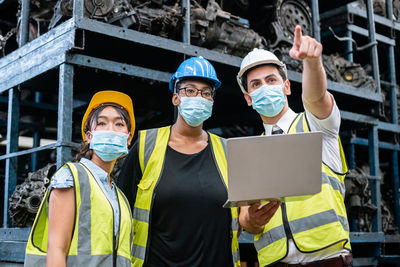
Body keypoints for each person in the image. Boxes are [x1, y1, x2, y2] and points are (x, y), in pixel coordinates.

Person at [237, 25, 352, 267]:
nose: (264, 87)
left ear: (287, 86)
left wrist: (312, 62)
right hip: (275, 262)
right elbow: (245, 219)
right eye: (255, 85)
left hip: (326, 259)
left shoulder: (316, 125)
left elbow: (316, 98)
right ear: (248, 99)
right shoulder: (248, 153)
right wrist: (253, 221)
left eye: (271, 80)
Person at [117, 56, 242, 267]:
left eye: (205, 92)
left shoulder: (228, 151)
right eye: (190, 90)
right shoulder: (147, 146)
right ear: (176, 97)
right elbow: (121, 213)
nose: (198, 97)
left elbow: (242, 220)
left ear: (212, 101)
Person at [24, 90, 135, 267]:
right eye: (102, 123)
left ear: (128, 138)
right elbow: (56, 250)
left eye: (119, 124)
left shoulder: (118, 196)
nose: (111, 130)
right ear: (89, 136)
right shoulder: (71, 178)